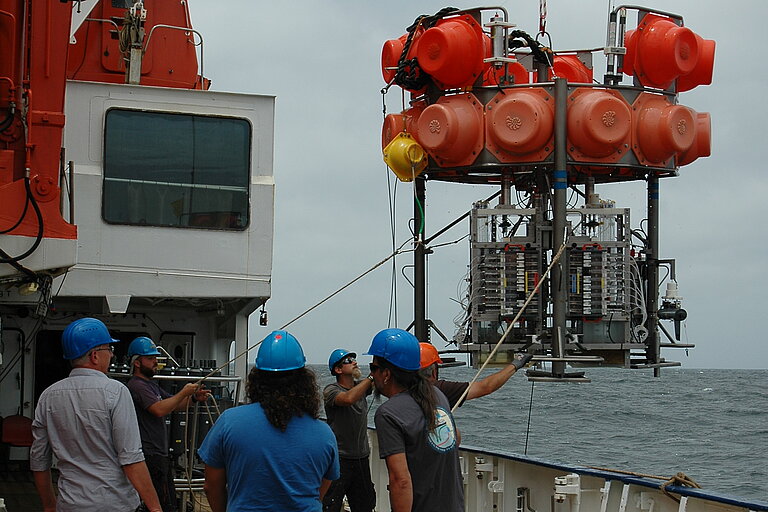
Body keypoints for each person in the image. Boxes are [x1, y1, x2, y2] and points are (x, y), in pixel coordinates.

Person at [30, 317, 162, 512]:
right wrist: (156, 508)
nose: (111, 355)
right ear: (94, 356)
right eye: (109, 349)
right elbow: (131, 459)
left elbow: (39, 460)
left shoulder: (48, 396)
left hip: (70, 504)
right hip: (114, 504)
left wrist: (50, 507)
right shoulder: (115, 391)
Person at [199, 330, 339, 512]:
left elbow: (211, 486)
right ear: (304, 381)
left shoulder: (228, 422)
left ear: (256, 379)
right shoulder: (324, 434)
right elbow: (319, 492)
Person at [366, 329, 463, 512]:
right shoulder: (437, 395)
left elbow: (400, 480)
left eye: (373, 369)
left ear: (386, 374)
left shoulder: (388, 413)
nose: (372, 376)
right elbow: (455, 438)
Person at [126, 336, 210, 512]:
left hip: (159, 454)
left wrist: (194, 398)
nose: (155, 362)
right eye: (150, 358)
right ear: (137, 363)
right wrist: (183, 392)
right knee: (161, 504)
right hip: (149, 455)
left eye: (155, 358)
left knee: (167, 502)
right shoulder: (137, 386)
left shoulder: (150, 385)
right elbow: (159, 409)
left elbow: (173, 404)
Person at [322, 349, 376, 512]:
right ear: (338, 369)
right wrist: (371, 377)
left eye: (354, 358)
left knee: (365, 506)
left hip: (361, 459)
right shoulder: (331, 390)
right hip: (339, 459)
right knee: (330, 505)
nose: (354, 362)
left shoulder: (361, 387)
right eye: (348, 360)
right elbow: (348, 399)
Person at [420, 342, 533, 409]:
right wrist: (516, 364)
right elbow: (486, 387)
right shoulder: (439, 389)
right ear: (434, 371)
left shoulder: (408, 389)